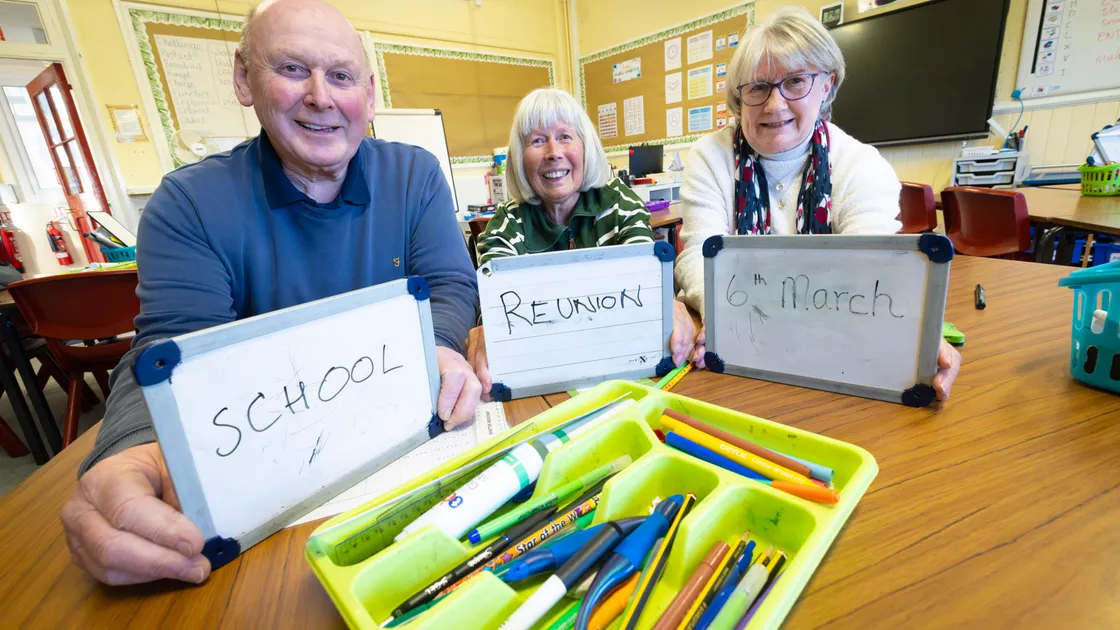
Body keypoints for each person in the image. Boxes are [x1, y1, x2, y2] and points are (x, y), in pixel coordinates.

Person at [60, 0, 482, 587]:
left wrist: (437, 343)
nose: (320, 96)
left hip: (405, 466)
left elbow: (449, 282)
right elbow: (169, 352)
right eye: (290, 69)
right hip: (276, 496)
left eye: (340, 76)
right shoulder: (187, 205)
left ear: (369, 91)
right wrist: (133, 448)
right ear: (243, 79)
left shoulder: (415, 175)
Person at [674, 6, 960, 398]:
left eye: (795, 82)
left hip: (829, 359)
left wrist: (913, 339)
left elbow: (875, 274)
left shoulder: (861, 164)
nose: (774, 105)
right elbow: (697, 258)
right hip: (736, 360)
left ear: (826, 85)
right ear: (740, 98)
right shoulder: (710, 156)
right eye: (757, 87)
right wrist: (724, 317)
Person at [467, 88, 698, 397]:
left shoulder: (619, 204)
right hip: (542, 384)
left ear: (585, 147)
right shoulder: (506, 225)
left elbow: (649, 287)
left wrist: (666, 301)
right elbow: (496, 319)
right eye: (537, 140)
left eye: (565, 136)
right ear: (520, 158)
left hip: (623, 373)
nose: (553, 152)